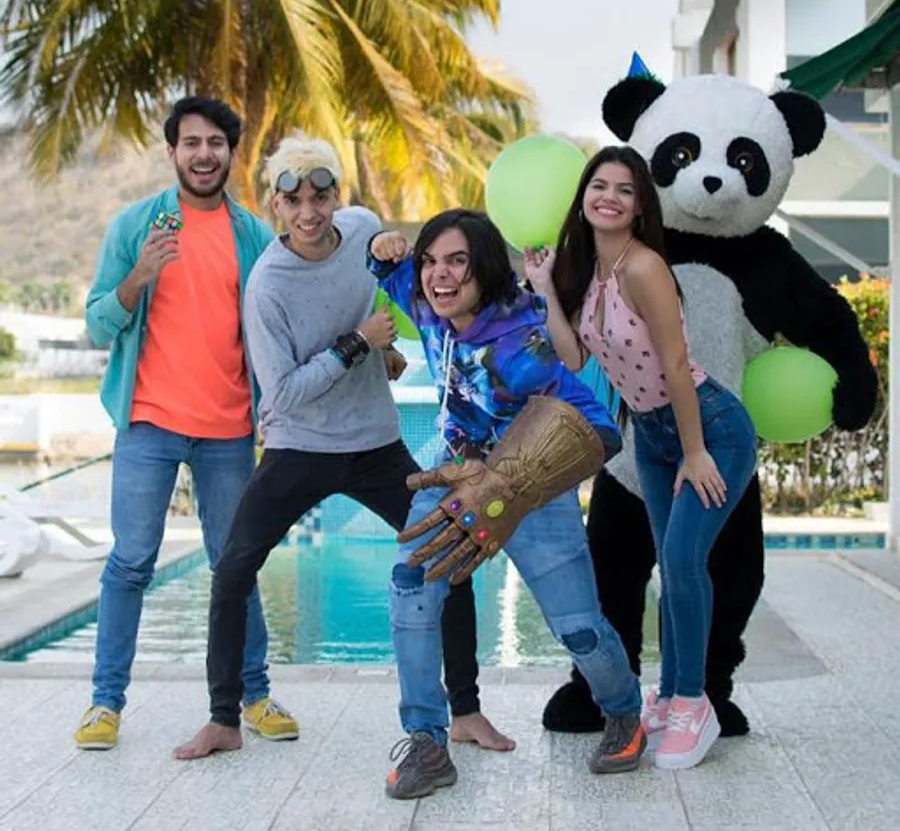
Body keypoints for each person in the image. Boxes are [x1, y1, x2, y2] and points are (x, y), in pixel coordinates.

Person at [173, 138, 511, 760]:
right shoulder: (267, 287)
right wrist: (359, 344)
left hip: (375, 444)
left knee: (451, 553)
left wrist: (388, 309)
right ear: (275, 205)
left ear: (337, 197)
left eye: (320, 196)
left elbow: (388, 270)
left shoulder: (360, 229)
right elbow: (282, 395)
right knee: (233, 569)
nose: (309, 212)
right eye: (294, 200)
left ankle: (464, 710)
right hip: (299, 447)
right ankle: (223, 719)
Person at [367, 209, 646, 800]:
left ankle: (624, 711)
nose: (439, 275)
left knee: (578, 629)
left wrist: (504, 483)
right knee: (411, 588)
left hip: (531, 488)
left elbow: (599, 432)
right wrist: (382, 244)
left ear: (488, 269)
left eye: (457, 262)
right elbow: (390, 268)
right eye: (431, 262)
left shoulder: (523, 348)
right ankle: (426, 742)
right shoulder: (430, 302)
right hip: (452, 474)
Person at [524, 146, 758, 771]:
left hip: (711, 427)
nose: (609, 197)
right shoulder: (589, 270)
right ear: (583, 197)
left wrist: (696, 451)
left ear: (639, 207)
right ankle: (674, 694)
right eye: (599, 185)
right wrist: (546, 289)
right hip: (650, 436)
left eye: (625, 190)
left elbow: (677, 363)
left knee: (683, 561)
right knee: (669, 566)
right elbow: (575, 358)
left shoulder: (645, 266)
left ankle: (694, 702)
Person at [76, 96, 292, 750]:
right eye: (191, 143)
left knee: (235, 564)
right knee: (130, 562)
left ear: (230, 153)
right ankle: (104, 704)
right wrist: (139, 276)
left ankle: (254, 695)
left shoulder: (252, 236)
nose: (204, 154)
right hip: (148, 422)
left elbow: (277, 324)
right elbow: (97, 326)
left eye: (215, 143)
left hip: (228, 429)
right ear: (172, 152)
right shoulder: (135, 226)